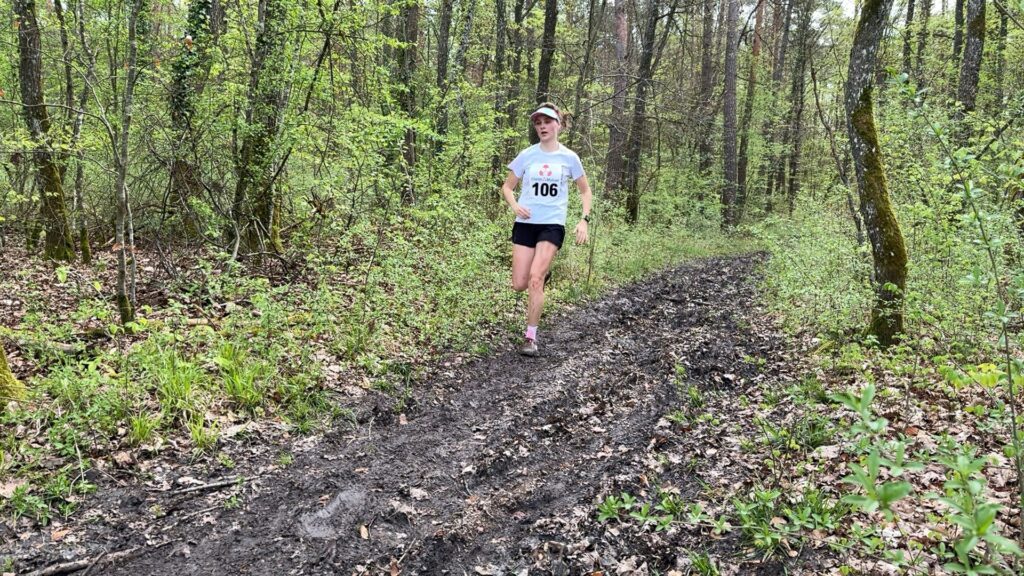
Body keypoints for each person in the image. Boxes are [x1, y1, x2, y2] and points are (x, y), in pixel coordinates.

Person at [501, 102, 593, 356]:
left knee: (534, 279)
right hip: (526, 223)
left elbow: (585, 191)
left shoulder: (569, 157)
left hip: (552, 224)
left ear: (558, 125)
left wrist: (584, 219)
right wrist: (515, 205)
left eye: (547, 122)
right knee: (519, 283)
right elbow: (507, 187)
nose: (542, 127)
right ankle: (540, 278)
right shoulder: (527, 154)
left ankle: (530, 337)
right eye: (538, 123)